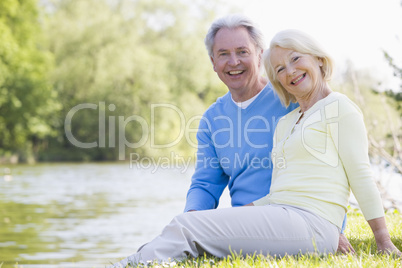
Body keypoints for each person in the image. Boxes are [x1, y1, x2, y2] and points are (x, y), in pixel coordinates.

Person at [184, 14, 352, 253]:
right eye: (223, 54)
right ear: (213, 62)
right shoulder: (212, 120)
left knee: (178, 233)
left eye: (242, 52)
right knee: (180, 228)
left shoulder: (293, 97)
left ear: (259, 55)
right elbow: (205, 184)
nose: (234, 62)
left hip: (301, 222)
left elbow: (338, 163)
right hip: (247, 225)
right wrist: (192, 217)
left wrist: (331, 226)